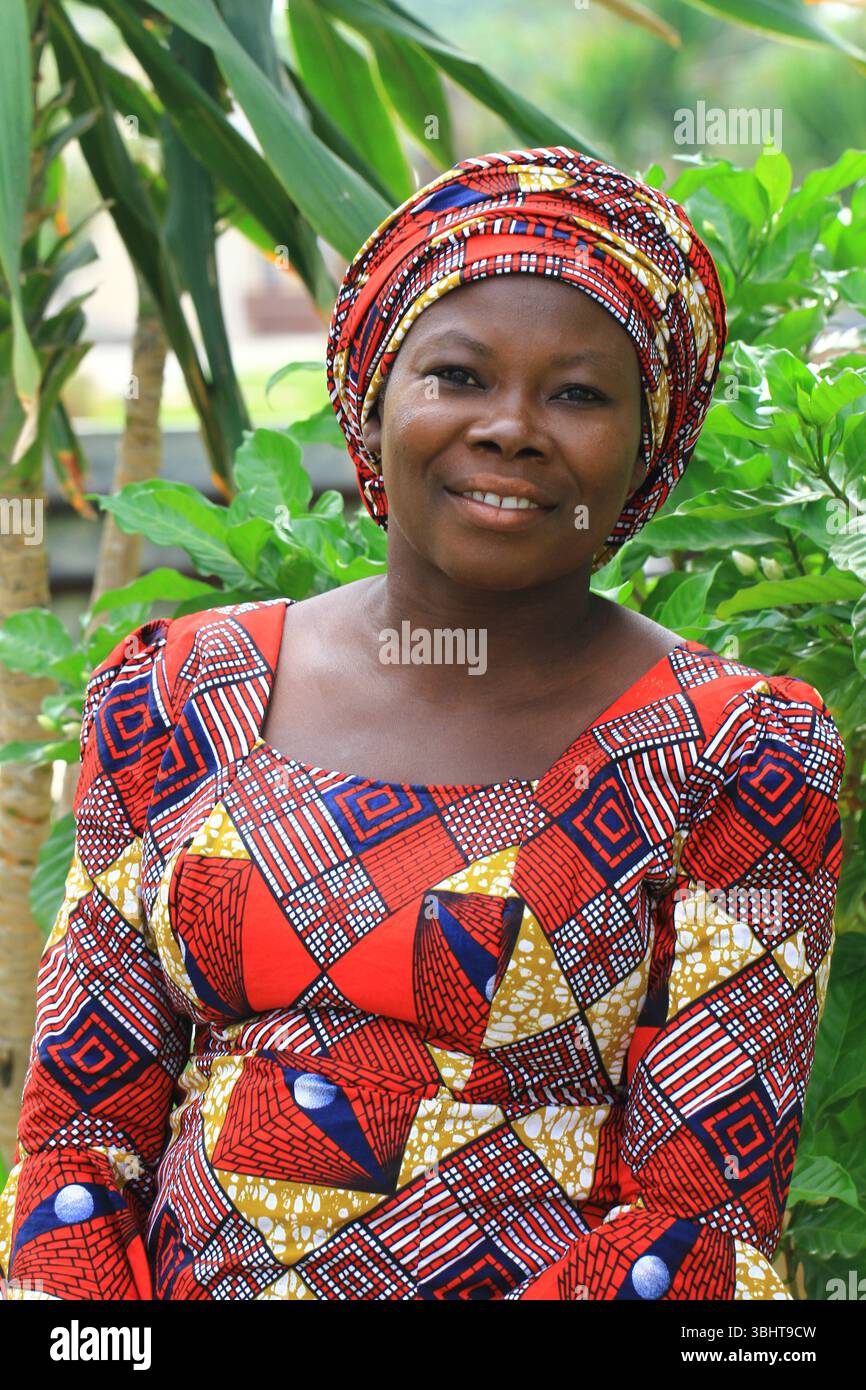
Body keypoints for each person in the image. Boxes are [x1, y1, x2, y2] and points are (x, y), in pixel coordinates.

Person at [0, 146, 845, 1301]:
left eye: (579, 393)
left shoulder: (730, 751)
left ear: (649, 448)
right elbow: (77, 1146)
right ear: (372, 395)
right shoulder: (179, 694)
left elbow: (690, 1225)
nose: (510, 429)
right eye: (456, 376)